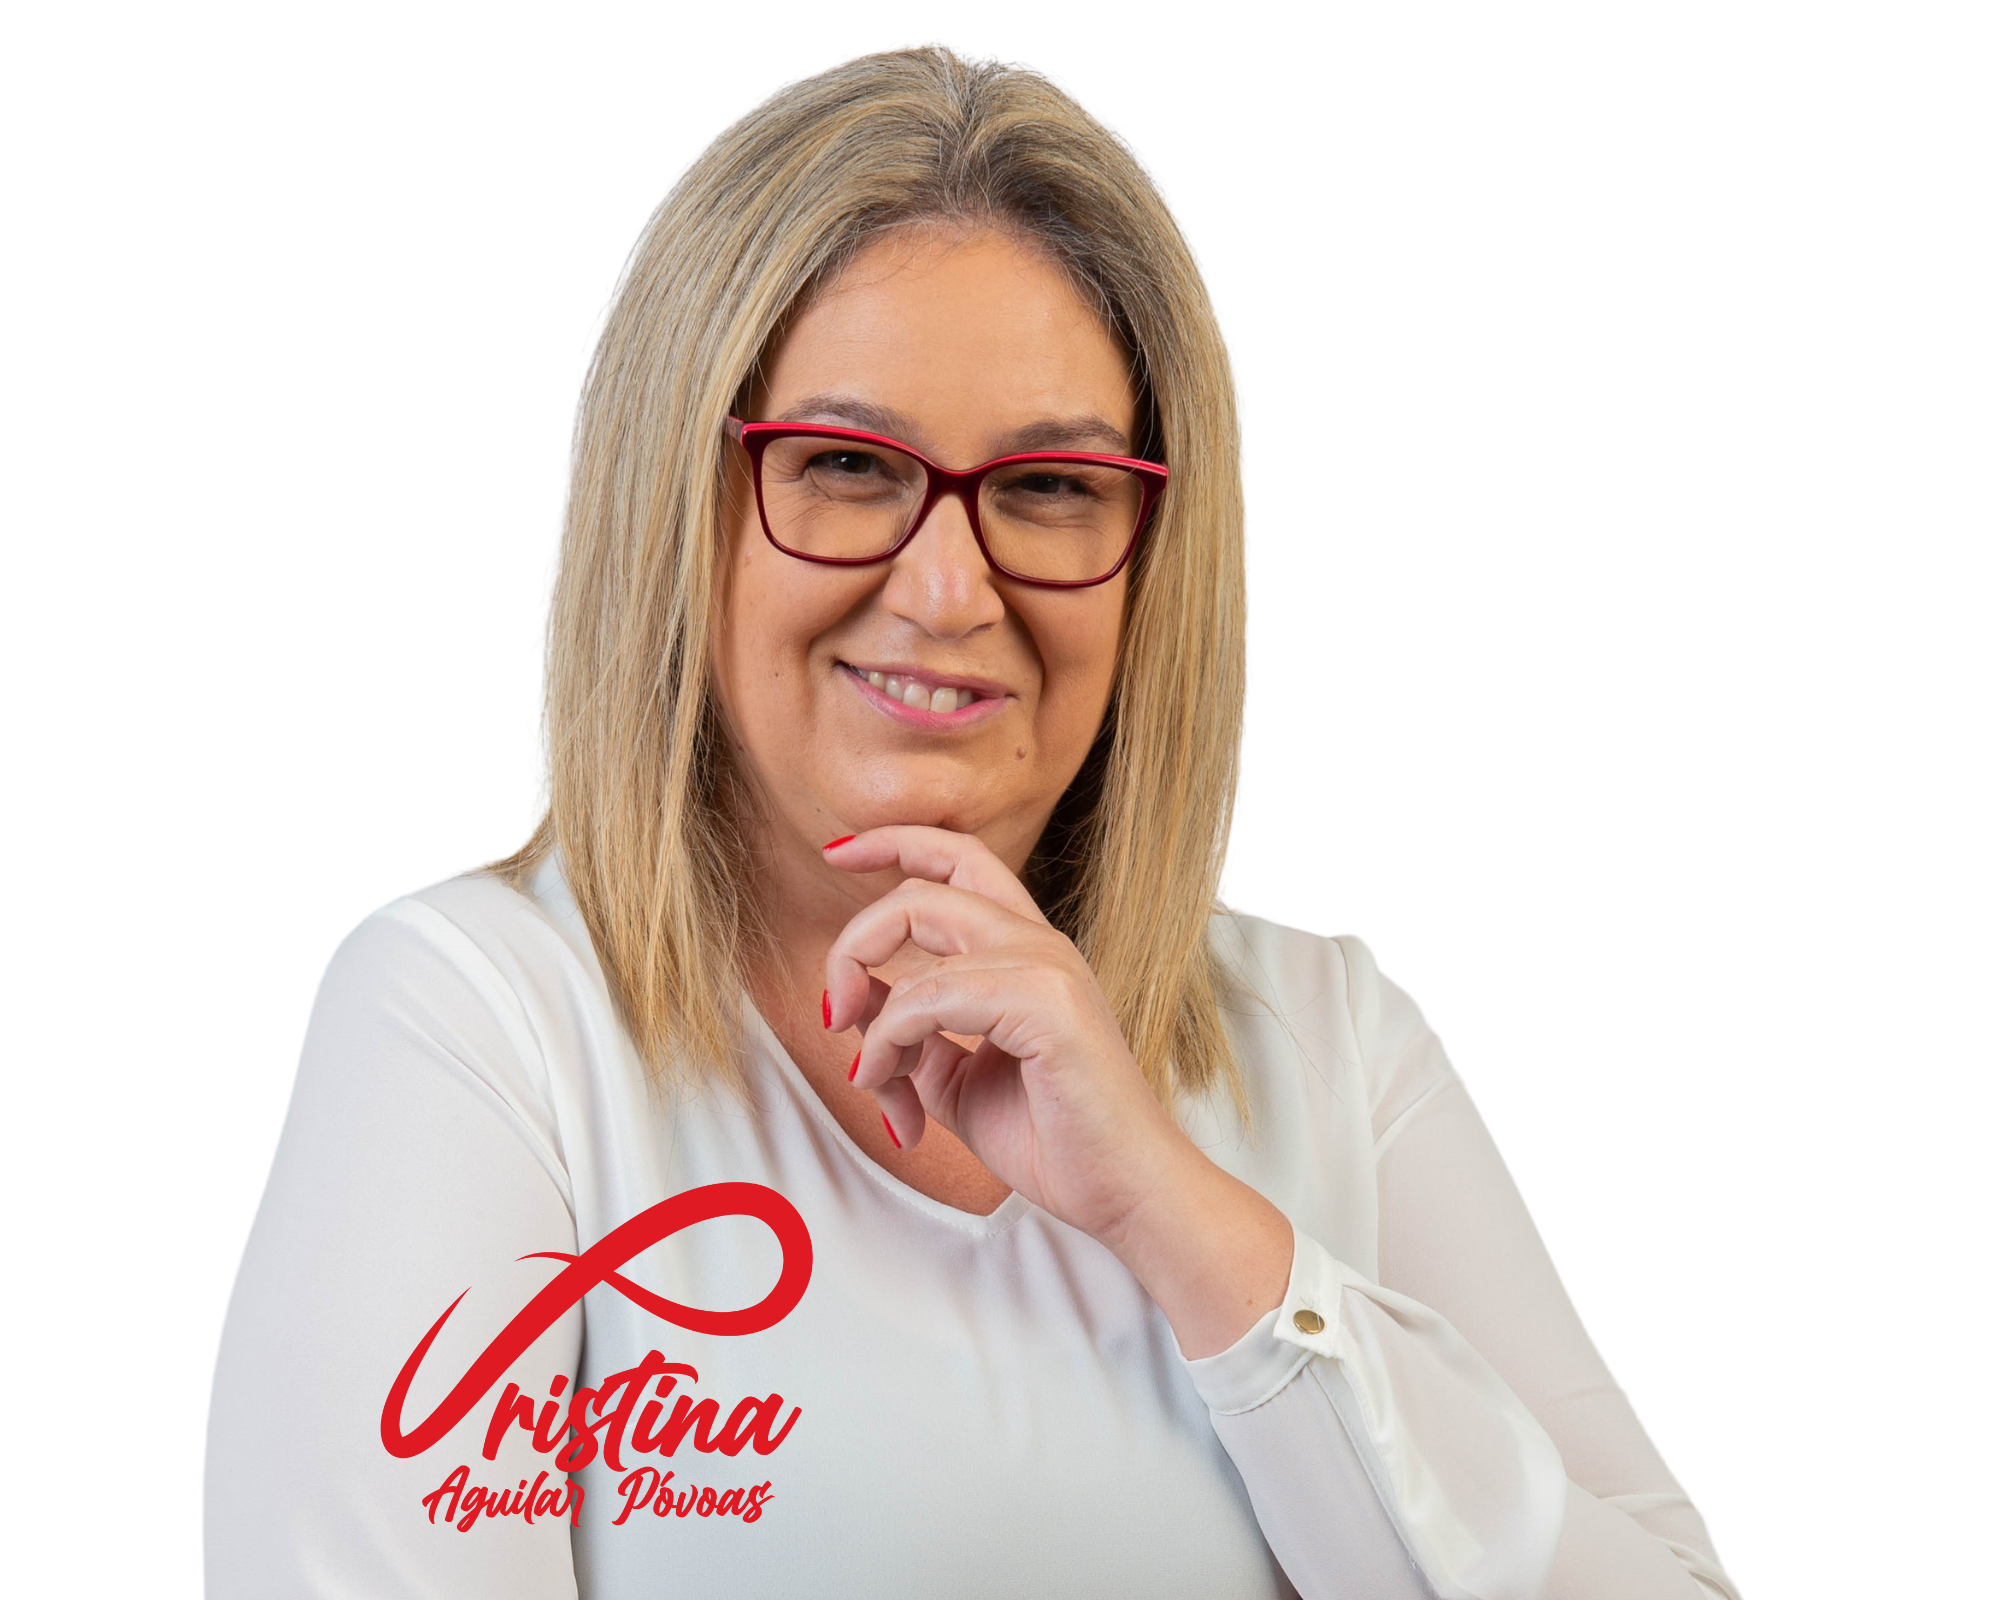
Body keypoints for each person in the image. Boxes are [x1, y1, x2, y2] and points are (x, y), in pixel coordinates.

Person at [202, 42, 1744, 1599]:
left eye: (1053, 485)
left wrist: (1175, 1213)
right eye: (845, 464)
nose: (949, 591)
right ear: (674, 504)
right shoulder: (476, 1017)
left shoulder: (1331, 1036)